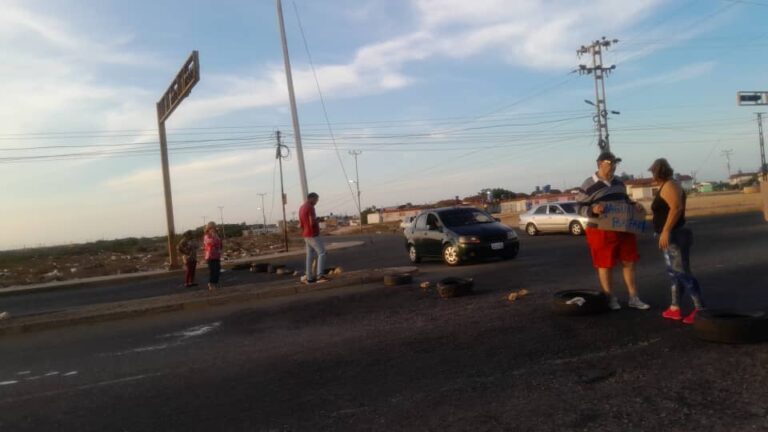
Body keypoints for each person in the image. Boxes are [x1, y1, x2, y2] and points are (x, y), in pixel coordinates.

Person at [576, 151, 651, 311]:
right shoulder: (588, 184)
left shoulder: (619, 183)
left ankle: (633, 297)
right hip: (599, 230)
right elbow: (578, 207)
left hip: (623, 228)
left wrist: (633, 205)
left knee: (629, 261)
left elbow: (625, 201)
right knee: (605, 265)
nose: (614, 166)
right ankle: (609, 298)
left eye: (615, 163)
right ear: (600, 164)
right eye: (610, 163)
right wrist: (594, 209)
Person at [649, 158, 703, 324]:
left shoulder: (670, 185)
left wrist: (665, 231)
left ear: (658, 172)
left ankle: (701, 310)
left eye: (653, 172)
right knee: (674, 273)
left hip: (675, 235)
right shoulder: (667, 185)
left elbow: (677, 207)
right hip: (671, 236)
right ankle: (675, 307)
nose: (652, 175)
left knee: (682, 272)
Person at [299, 192, 328, 284]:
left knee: (309, 256)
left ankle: (309, 277)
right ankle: (320, 275)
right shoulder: (310, 207)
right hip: (313, 234)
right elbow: (312, 222)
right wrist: (319, 220)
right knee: (322, 253)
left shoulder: (301, 207)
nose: (317, 201)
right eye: (316, 199)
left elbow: (301, 224)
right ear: (311, 198)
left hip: (306, 234)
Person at [203, 221, 222, 292]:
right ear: (208, 229)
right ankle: (211, 284)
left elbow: (219, 243)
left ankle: (215, 283)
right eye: (211, 228)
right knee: (212, 270)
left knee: (217, 270)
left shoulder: (216, 235)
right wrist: (214, 237)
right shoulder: (206, 236)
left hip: (216, 255)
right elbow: (211, 242)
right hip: (210, 256)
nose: (213, 230)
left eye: (214, 228)